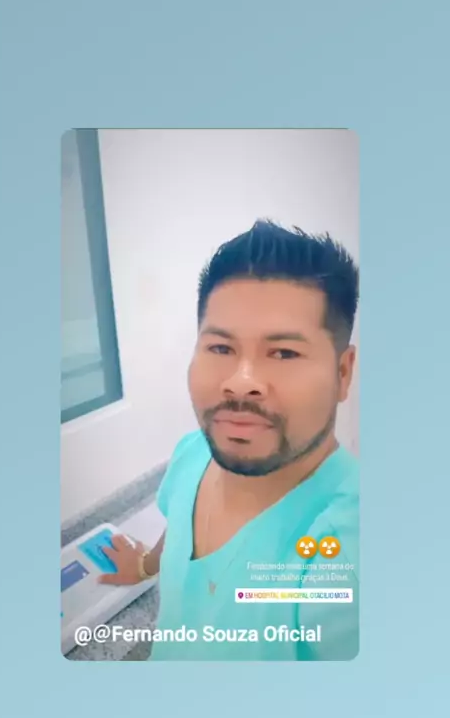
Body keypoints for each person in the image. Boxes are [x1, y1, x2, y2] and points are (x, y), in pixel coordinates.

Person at [99, 219, 359, 661]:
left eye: (284, 352)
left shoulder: (345, 551)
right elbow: (178, 528)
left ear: (342, 373)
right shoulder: (193, 452)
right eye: (220, 348)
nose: (240, 382)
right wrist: (145, 565)